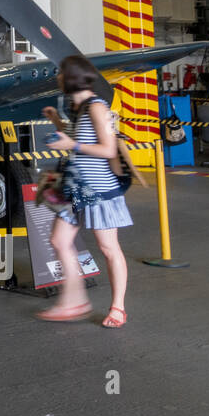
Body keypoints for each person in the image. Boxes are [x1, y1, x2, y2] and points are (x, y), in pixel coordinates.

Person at [35, 55, 130, 328]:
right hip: (76, 187)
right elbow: (79, 138)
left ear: (72, 77)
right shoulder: (78, 108)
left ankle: (118, 308)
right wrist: (57, 123)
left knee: (108, 247)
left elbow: (108, 149)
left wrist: (70, 144)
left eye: (61, 73)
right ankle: (74, 301)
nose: (58, 78)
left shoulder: (97, 107)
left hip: (98, 190)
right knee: (59, 241)